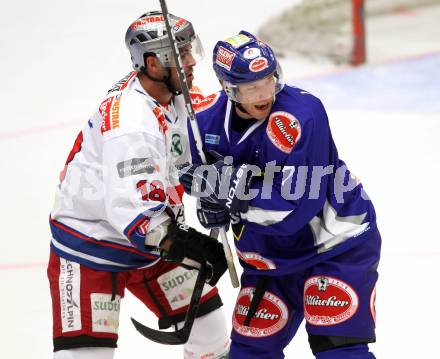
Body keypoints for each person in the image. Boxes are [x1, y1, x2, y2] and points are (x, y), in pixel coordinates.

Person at [179, 31, 381, 359]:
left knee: (338, 351)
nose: (265, 93)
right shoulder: (205, 123)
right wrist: (208, 196)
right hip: (269, 261)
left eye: (268, 80)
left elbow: (292, 210)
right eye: (252, 86)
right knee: (249, 353)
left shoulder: (303, 115)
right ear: (229, 87)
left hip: (334, 247)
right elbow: (189, 173)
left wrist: (228, 189)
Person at [47, 11, 231, 359]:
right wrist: (193, 246)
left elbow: (218, 118)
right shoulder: (131, 122)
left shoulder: (175, 93)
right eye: (181, 55)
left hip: (152, 245)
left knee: (211, 335)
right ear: (153, 64)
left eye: (190, 50)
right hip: (92, 247)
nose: (192, 62)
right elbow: (136, 215)